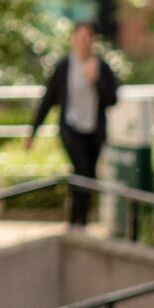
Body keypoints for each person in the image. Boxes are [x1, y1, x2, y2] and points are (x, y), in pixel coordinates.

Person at [29, 21, 120, 227]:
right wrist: (32, 131)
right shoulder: (64, 67)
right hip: (71, 127)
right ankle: (74, 221)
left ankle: (82, 220)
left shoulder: (101, 66)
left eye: (89, 37)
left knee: (89, 174)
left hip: (94, 130)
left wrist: (96, 80)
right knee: (80, 169)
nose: (84, 41)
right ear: (73, 39)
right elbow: (48, 99)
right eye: (81, 37)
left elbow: (112, 99)